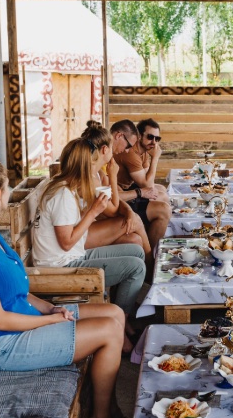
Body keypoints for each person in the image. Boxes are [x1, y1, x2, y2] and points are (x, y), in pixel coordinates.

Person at [0, 150, 129, 418]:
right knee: (108, 331)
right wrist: (50, 320)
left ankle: (107, 406)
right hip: (1, 344)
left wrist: (49, 308)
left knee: (114, 313)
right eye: (7, 187)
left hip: (21, 321)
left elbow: (15, 292)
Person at [32, 136, 146, 353]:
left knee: (135, 250)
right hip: (61, 266)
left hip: (71, 256)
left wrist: (92, 209)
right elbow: (66, 243)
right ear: (84, 165)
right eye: (94, 162)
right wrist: (93, 212)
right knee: (136, 267)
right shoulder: (62, 194)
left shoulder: (67, 187)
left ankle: (122, 318)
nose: (96, 168)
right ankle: (121, 327)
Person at [80, 121, 153, 277]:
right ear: (104, 149)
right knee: (135, 221)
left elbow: (114, 198)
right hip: (78, 233)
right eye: (128, 146)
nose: (127, 151)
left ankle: (142, 277)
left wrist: (128, 211)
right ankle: (152, 271)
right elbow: (113, 210)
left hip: (89, 225)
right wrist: (113, 175)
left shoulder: (99, 170)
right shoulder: (90, 173)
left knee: (134, 240)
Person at [111, 118, 171, 251]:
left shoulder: (143, 152)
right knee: (164, 208)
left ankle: (152, 232)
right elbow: (147, 185)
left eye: (157, 139)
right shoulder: (130, 153)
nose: (154, 142)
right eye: (150, 137)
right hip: (122, 194)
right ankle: (152, 251)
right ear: (139, 136)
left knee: (161, 189)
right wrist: (155, 158)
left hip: (126, 190)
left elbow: (148, 180)